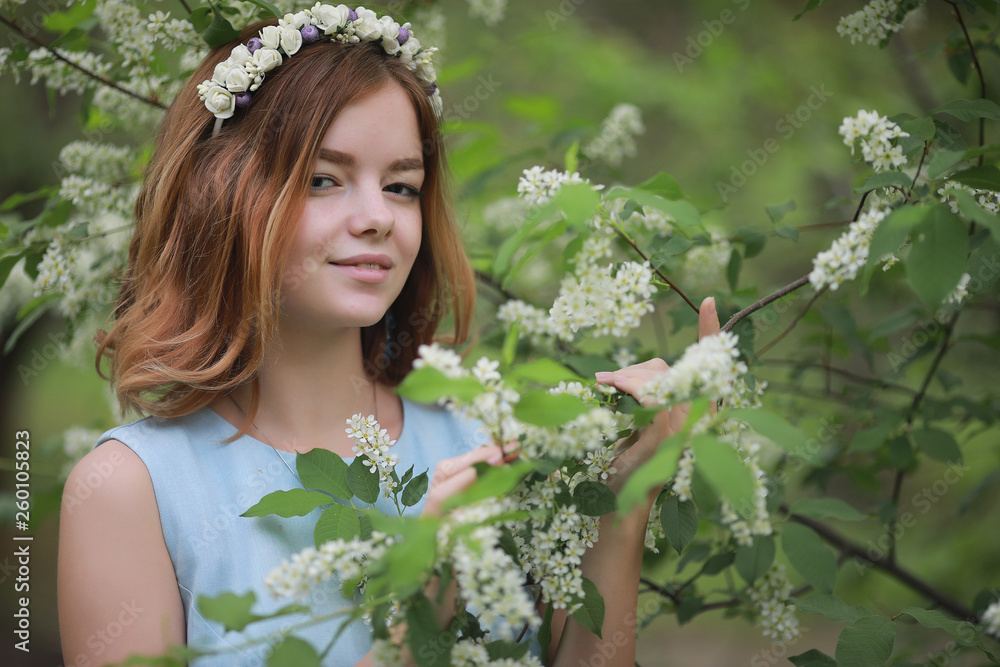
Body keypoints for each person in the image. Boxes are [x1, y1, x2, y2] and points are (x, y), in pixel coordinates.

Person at [57, 5, 721, 666]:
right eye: (324, 180)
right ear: (224, 195)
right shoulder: (130, 490)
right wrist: (413, 621)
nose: (377, 217)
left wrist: (625, 504)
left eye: (402, 186)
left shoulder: (486, 438)